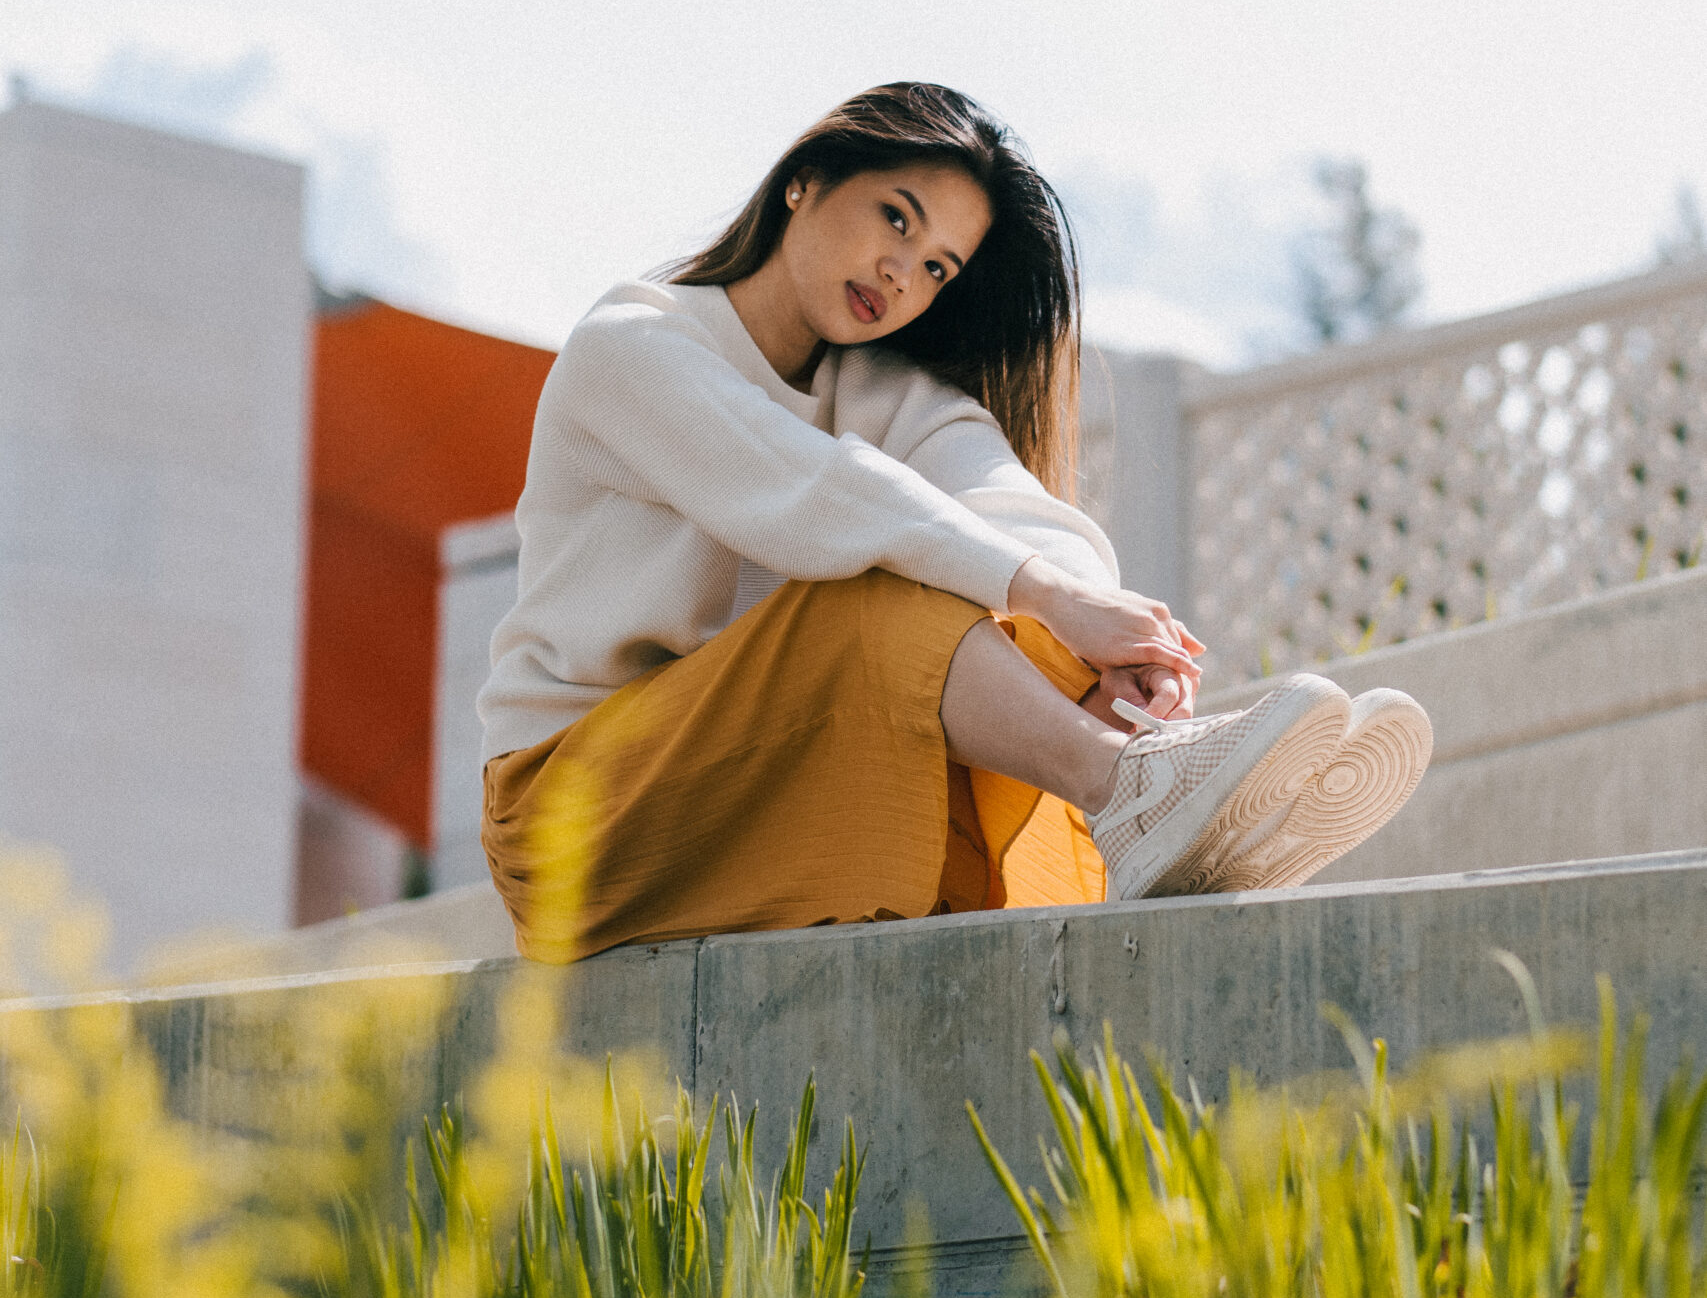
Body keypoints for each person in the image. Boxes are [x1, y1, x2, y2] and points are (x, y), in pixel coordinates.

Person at [479, 83, 1430, 960]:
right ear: (803, 183)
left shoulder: (883, 390)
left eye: (936, 266)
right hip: (579, 812)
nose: (902, 272)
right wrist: (1050, 598)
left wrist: (1100, 646)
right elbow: (818, 495)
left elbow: (1010, 509)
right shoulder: (636, 345)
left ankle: (1167, 785)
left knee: (998, 601)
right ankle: (1127, 791)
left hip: (757, 776)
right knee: (875, 603)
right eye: (895, 217)